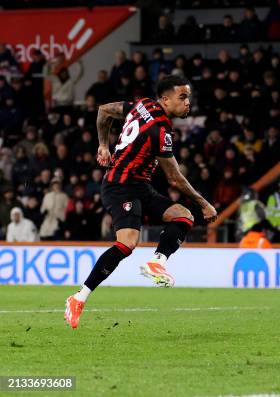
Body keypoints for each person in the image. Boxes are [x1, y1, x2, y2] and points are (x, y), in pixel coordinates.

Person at [64, 75, 218, 329]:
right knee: (127, 243)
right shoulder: (161, 130)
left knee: (183, 215)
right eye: (182, 97)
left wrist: (104, 145)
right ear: (165, 99)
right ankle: (78, 298)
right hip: (119, 186)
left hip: (138, 186)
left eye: (188, 97)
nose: (188, 102)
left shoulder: (143, 104)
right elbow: (174, 177)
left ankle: (157, 262)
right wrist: (204, 203)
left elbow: (104, 111)